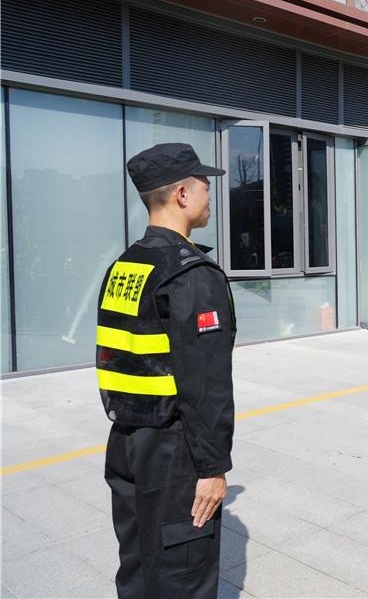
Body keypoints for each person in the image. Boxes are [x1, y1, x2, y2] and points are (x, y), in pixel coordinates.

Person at [98, 143, 234, 597]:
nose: (210, 194)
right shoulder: (190, 274)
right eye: (204, 185)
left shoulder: (124, 267)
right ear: (181, 194)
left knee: (138, 568)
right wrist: (212, 468)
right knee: (182, 576)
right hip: (174, 453)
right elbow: (205, 384)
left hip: (126, 442)